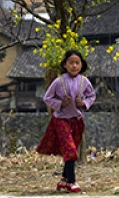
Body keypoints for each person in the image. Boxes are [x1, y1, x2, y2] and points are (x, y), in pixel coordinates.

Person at [37, 50, 96, 193]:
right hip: (61, 120)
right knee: (70, 150)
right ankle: (72, 182)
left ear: (81, 65)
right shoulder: (58, 82)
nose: (74, 66)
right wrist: (61, 103)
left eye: (77, 63)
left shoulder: (84, 81)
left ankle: (63, 179)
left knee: (72, 150)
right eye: (71, 63)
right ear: (65, 65)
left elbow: (92, 95)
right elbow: (47, 98)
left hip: (77, 121)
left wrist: (83, 103)